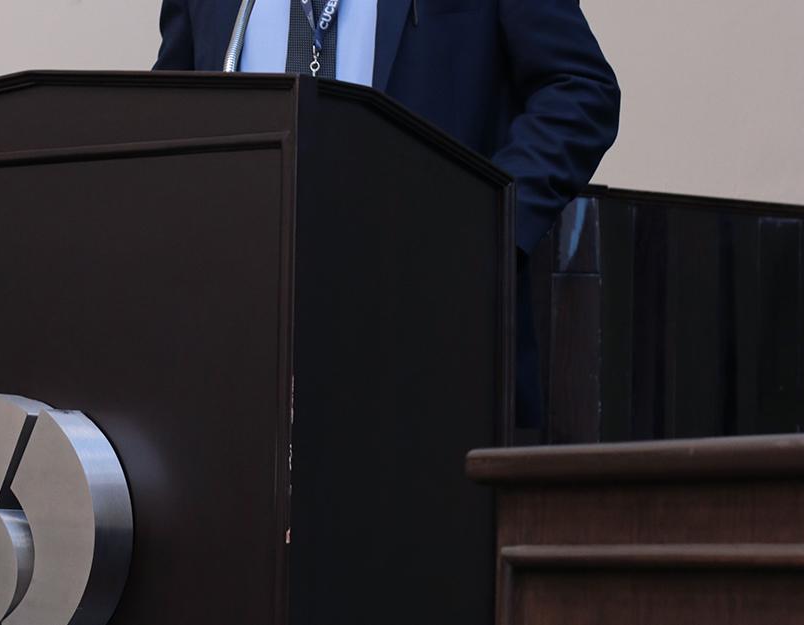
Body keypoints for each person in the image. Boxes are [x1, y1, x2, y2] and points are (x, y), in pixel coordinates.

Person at [154, 0, 620, 428]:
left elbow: (579, 91)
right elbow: (169, 116)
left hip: (424, 349)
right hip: (236, 356)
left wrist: (486, 222)